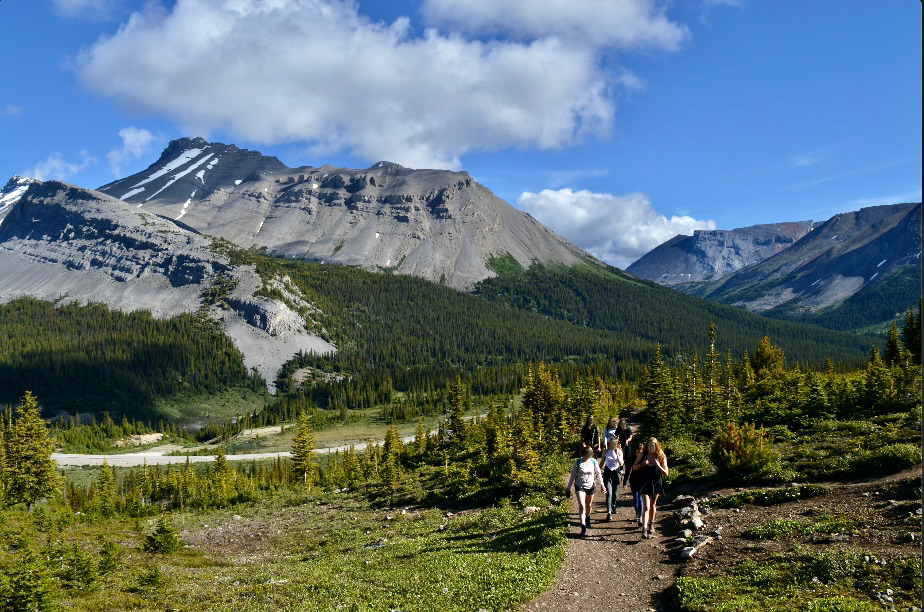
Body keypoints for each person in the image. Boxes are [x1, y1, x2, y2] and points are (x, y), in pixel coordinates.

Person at [565, 446, 606, 536]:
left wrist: (602, 485)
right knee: (582, 505)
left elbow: (599, 473)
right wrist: (568, 487)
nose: (591, 454)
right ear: (585, 454)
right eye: (589, 453)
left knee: (588, 505)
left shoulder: (593, 462)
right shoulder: (578, 463)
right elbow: (572, 476)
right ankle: (583, 526)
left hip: (591, 486)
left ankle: (588, 517)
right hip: (580, 486)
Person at [635, 437, 669, 540]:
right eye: (649, 445)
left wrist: (658, 465)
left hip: (656, 483)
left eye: (653, 445)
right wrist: (642, 464)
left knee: (653, 505)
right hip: (644, 483)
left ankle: (651, 524)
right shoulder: (643, 454)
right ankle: (644, 529)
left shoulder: (661, 455)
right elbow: (634, 467)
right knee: (646, 506)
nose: (651, 447)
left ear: (656, 445)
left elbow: (666, 473)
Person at [600, 437, 624, 521]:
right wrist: (598, 470)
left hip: (616, 473)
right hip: (607, 473)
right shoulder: (606, 451)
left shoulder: (619, 451)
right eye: (610, 443)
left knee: (615, 492)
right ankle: (609, 512)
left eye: (614, 443)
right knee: (609, 493)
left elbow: (621, 463)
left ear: (617, 444)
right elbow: (602, 461)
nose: (612, 445)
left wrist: (617, 454)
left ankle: (613, 505)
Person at [624, 442, 645, 526]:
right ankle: (638, 512)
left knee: (640, 498)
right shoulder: (631, 459)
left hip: (643, 481)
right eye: (637, 452)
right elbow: (627, 470)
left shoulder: (645, 459)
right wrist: (625, 481)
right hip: (633, 480)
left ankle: (640, 516)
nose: (638, 454)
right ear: (635, 452)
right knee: (635, 498)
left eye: (640, 452)